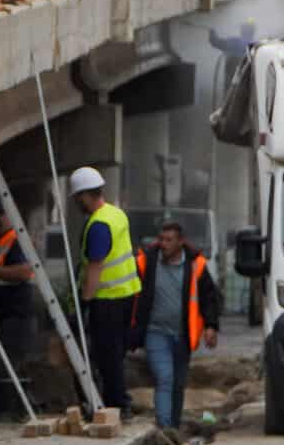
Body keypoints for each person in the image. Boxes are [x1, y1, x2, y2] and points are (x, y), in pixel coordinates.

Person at [131, 221, 222, 430]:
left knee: (178, 384)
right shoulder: (148, 262)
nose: (163, 244)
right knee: (165, 378)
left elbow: (210, 297)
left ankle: (174, 426)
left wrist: (211, 326)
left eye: (169, 240)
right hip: (155, 332)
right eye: (161, 239)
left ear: (181, 242)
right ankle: (164, 428)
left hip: (183, 335)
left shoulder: (195, 265)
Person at [67, 167, 141, 417]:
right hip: (126, 295)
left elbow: (95, 268)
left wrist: (84, 303)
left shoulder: (98, 225)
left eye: (77, 198)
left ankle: (115, 406)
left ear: (84, 195)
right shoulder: (116, 214)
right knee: (114, 354)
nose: (77, 203)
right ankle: (118, 403)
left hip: (106, 299)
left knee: (105, 355)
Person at [0, 197, 39, 417]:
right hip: (1, 315)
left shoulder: (16, 239)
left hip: (13, 316)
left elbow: (23, 272)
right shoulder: (2, 239)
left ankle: (5, 412)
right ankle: (4, 410)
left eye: (1, 215)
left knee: (2, 365)